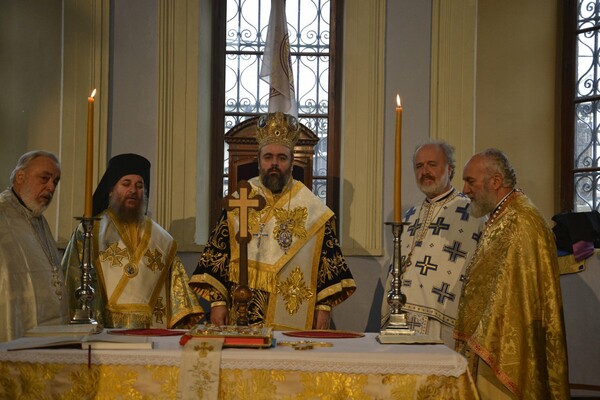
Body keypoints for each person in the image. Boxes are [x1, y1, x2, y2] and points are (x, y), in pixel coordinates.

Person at [190, 112, 356, 330]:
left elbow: (327, 264)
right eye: (268, 157)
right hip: (241, 312)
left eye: (282, 157)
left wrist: (322, 309)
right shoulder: (241, 199)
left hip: (294, 314)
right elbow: (218, 255)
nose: (274, 163)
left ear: (291, 162)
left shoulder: (312, 208)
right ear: (259, 160)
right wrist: (218, 302)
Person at [455, 148, 569, 400]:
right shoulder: (503, 215)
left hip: (503, 352)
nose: (464, 190)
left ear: (495, 181)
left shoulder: (521, 222)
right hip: (486, 344)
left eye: (470, 181)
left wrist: (485, 337)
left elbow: (516, 296)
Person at [63, 153, 203, 329]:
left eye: (139, 186)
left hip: (151, 330)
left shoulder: (162, 239)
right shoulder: (91, 231)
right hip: (103, 329)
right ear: (111, 189)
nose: (133, 191)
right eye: (126, 184)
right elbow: (72, 278)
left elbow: (179, 296)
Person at [381, 141, 483, 347]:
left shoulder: (472, 212)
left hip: (440, 321)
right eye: (419, 166)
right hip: (401, 318)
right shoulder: (410, 215)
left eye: (432, 165)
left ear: (450, 169)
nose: (424, 172)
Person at [0, 151, 68, 342]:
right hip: (12, 328)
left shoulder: (38, 219)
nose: (51, 187)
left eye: (55, 181)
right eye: (44, 178)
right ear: (20, 176)